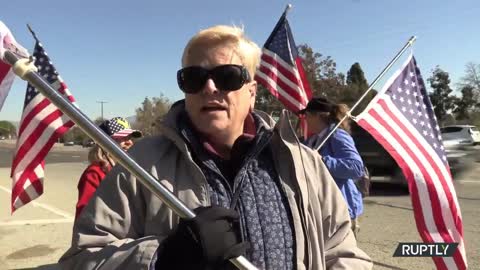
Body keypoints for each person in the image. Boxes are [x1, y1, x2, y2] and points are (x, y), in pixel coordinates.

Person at [59, 25, 372, 270]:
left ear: (252, 92)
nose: (210, 87)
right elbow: (81, 259)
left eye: (227, 76)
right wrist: (163, 258)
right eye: (194, 78)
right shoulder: (140, 165)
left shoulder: (304, 162)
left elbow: (344, 252)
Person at [299, 97, 366, 237]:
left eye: (306, 116)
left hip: (339, 212)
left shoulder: (337, 136)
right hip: (322, 211)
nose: (304, 119)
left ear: (317, 116)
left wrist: (322, 160)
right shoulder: (312, 140)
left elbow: (356, 168)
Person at [74, 116, 142, 219]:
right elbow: (85, 215)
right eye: (122, 138)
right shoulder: (94, 173)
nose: (129, 142)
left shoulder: (131, 170)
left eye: (130, 137)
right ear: (104, 142)